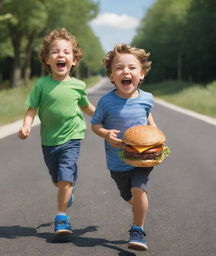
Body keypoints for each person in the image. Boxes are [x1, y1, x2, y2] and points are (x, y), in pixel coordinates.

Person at [18, 28, 95, 235]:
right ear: (47, 59)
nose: (61, 55)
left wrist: (101, 119)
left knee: (65, 175)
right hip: (49, 140)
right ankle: (66, 189)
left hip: (72, 137)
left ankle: (61, 217)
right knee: (57, 178)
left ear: (74, 60)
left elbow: (86, 107)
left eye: (66, 52)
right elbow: (32, 108)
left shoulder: (78, 85)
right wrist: (26, 125)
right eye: (55, 52)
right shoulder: (42, 85)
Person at [91, 44, 156, 251]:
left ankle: (138, 229)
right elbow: (95, 124)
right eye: (119, 68)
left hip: (142, 158)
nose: (126, 72)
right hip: (117, 163)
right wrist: (105, 133)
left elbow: (148, 119)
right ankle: (139, 207)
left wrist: (157, 137)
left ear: (142, 74)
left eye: (132, 68)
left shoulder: (147, 98)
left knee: (139, 189)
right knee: (127, 195)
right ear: (111, 76)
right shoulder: (106, 101)